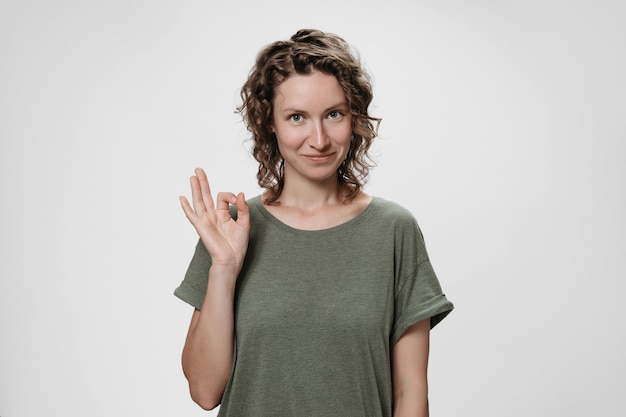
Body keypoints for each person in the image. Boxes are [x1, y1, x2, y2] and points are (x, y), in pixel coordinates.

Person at [174, 29, 454, 417]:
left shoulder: (393, 230)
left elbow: (411, 396)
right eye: (297, 117)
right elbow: (205, 392)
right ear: (269, 122)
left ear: (354, 116)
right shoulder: (231, 229)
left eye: (334, 114)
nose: (319, 139)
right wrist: (223, 268)